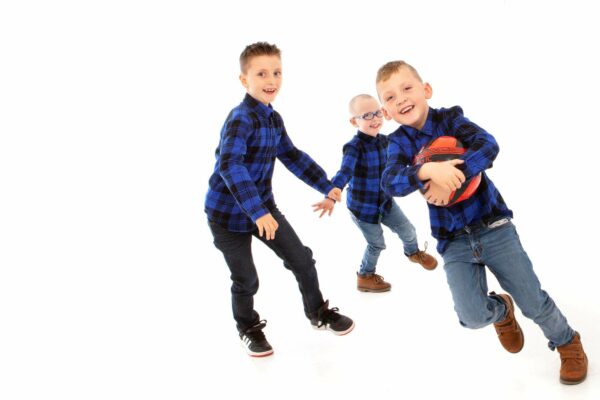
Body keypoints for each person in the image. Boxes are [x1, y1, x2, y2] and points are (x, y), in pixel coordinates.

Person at [375, 60, 587, 384]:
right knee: (471, 317)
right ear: (386, 112)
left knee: (533, 301)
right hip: (453, 240)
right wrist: (426, 171)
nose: (400, 99)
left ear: (426, 89)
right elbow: (390, 183)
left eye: (407, 88)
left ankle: (567, 341)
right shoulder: (398, 144)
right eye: (389, 97)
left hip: (493, 226)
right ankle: (502, 310)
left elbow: (489, 146)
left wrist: (456, 174)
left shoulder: (451, 119)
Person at [205, 42, 354, 357]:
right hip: (228, 216)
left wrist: (326, 185)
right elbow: (230, 166)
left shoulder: (273, 119)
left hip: (262, 209)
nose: (271, 79)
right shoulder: (240, 118)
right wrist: (257, 212)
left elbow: (291, 156)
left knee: (302, 260)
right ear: (245, 80)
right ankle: (248, 327)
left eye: (276, 72)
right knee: (246, 278)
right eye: (261, 73)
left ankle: (317, 312)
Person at [313, 94, 437, 293]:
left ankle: (413, 252)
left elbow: (404, 159)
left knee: (408, 230)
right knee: (377, 244)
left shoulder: (387, 142)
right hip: (363, 208)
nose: (375, 119)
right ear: (354, 121)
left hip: (385, 202)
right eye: (367, 115)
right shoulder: (354, 147)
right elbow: (344, 172)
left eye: (378, 113)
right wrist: (331, 193)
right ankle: (365, 276)